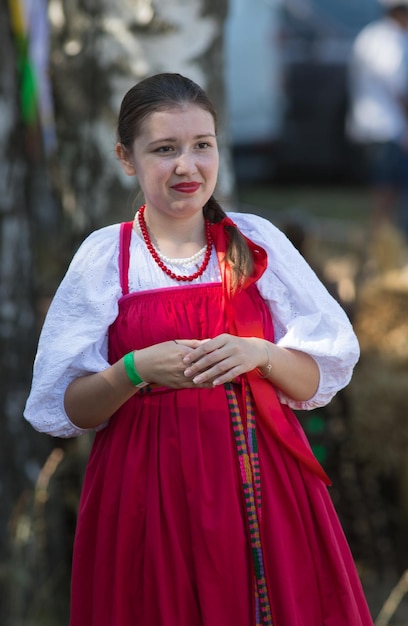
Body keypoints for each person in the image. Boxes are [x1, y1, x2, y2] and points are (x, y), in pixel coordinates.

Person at [24, 73, 373, 626]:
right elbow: (68, 409)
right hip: (144, 492)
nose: (187, 166)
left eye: (201, 145)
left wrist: (261, 354)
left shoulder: (256, 242)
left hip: (261, 484)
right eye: (164, 149)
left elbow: (315, 381)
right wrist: (132, 370)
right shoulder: (105, 258)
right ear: (126, 159)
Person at [347, 0, 408, 240]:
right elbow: (399, 89)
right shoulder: (391, 40)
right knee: (386, 196)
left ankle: (384, 247)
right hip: (385, 128)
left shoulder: (370, 35)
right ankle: (382, 248)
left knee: (383, 195)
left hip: (369, 127)